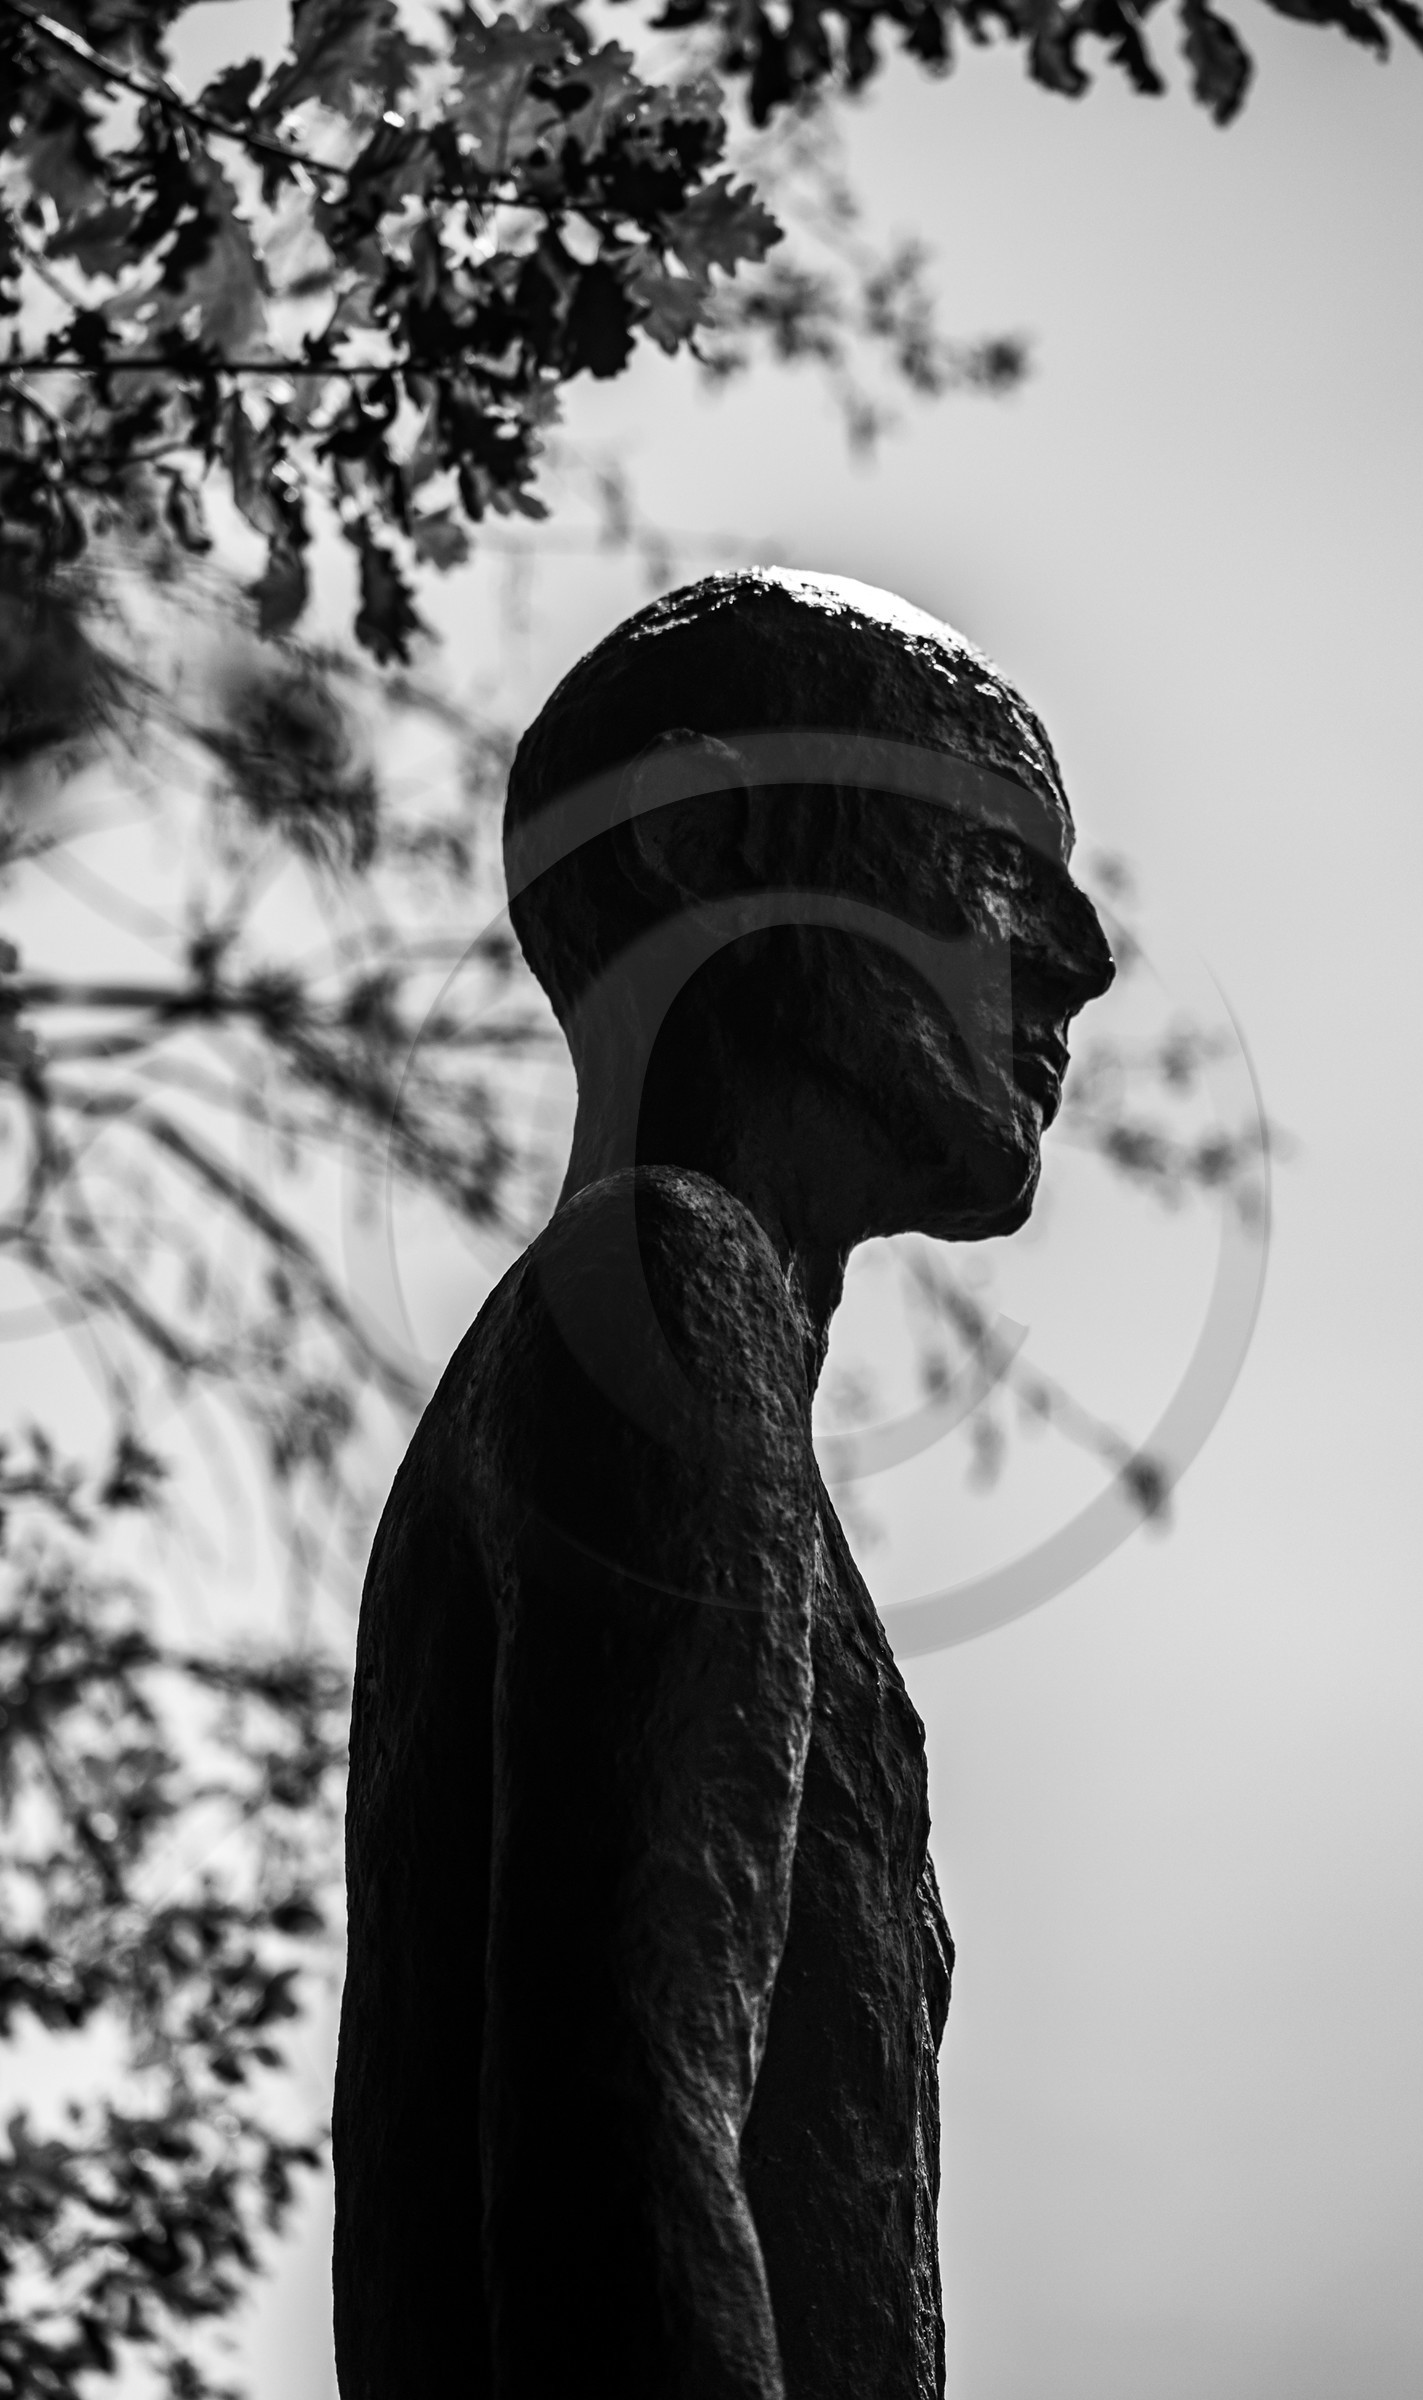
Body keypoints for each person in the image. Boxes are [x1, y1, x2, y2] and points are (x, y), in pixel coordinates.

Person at [331, 569, 1114, 2399]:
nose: (1076, 957)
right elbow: (620, 2114)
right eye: (996, 862)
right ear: (708, 844)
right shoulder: (665, 1291)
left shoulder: (628, 1331)